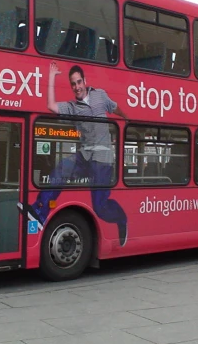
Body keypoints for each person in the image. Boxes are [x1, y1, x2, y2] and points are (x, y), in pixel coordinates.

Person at [20, 61, 129, 246]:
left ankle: (121, 219)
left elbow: (114, 107)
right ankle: (40, 213)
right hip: (84, 156)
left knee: (100, 207)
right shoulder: (72, 107)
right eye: (73, 84)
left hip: (102, 159)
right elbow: (51, 106)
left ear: (84, 81)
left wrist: (127, 120)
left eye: (79, 82)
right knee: (62, 168)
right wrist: (52, 77)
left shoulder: (100, 95)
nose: (77, 87)